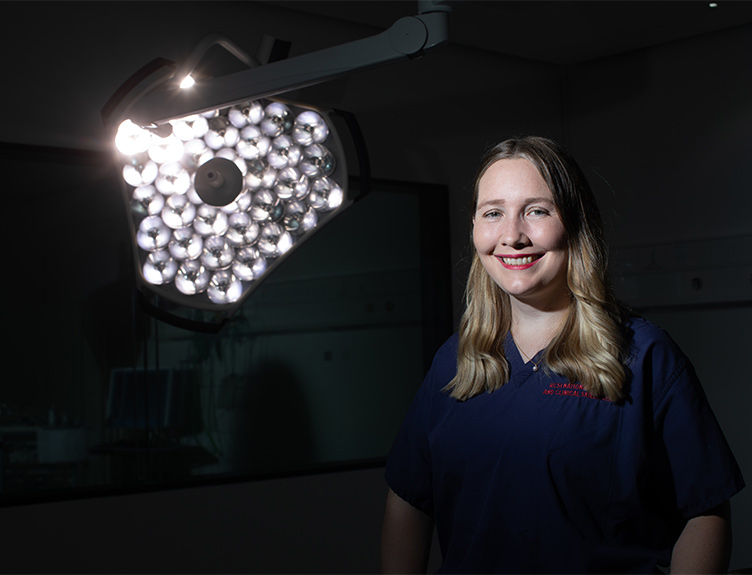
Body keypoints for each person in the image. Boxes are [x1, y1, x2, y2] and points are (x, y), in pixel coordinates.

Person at [380, 136, 745, 574]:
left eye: (536, 211)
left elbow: (704, 510)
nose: (512, 236)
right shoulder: (456, 360)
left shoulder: (642, 356)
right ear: (475, 227)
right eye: (493, 213)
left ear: (575, 223)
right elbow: (408, 498)